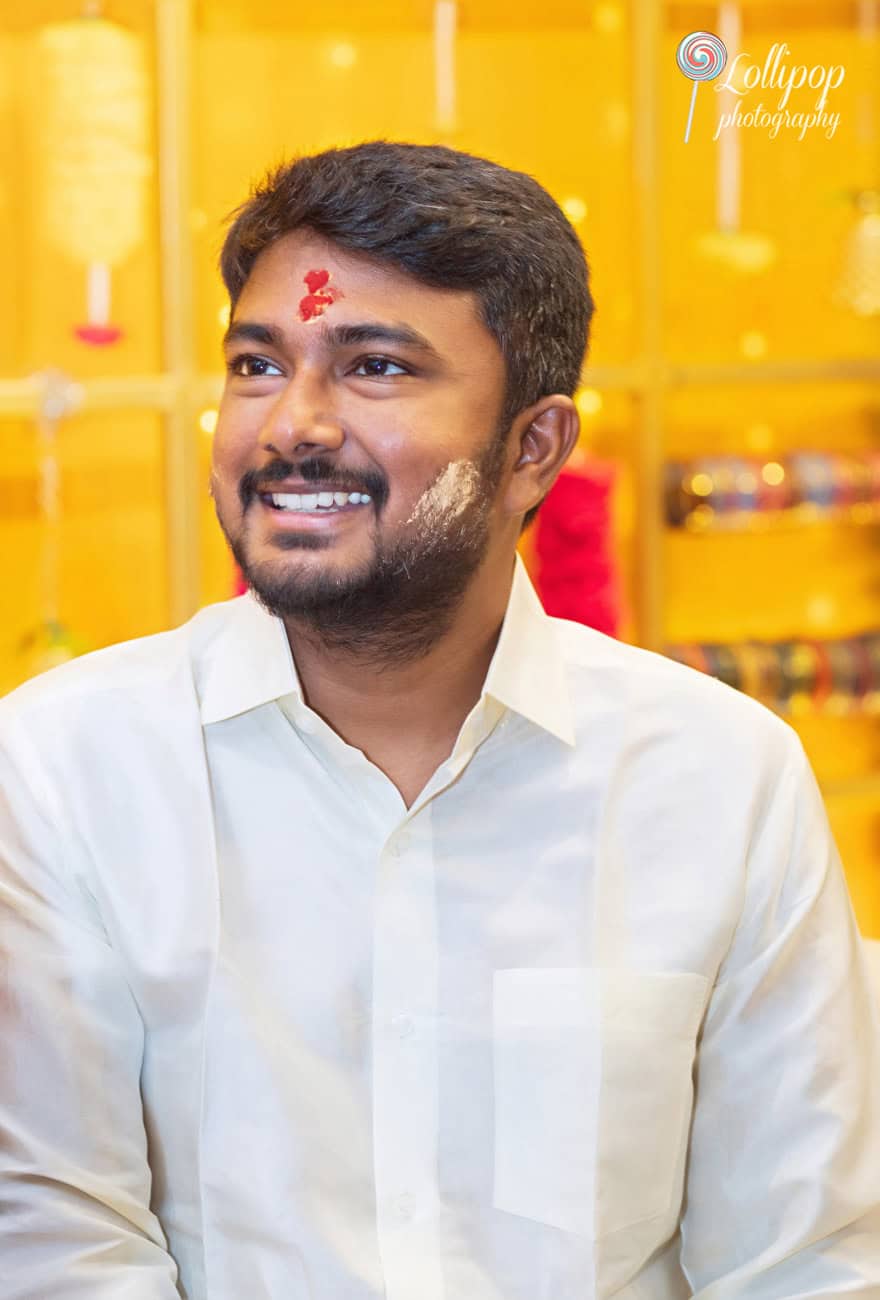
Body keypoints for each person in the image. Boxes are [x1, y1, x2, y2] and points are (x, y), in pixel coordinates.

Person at [1, 140, 878, 1300]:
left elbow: (803, 1260)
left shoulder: (717, 781)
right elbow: (58, 1247)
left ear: (533, 448)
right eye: (258, 365)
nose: (291, 426)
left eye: (372, 367)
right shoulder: (68, 767)